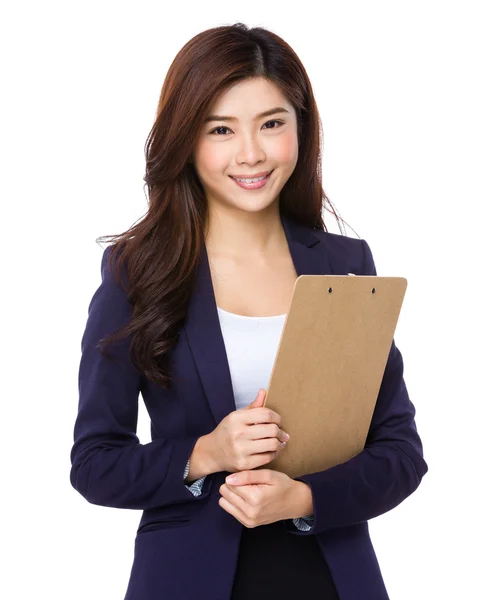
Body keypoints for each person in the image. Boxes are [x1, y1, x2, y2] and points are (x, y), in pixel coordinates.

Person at [69, 22, 428, 600]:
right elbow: (94, 463)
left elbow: (401, 454)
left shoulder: (344, 263)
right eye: (221, 129)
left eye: (271, 123)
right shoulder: (137, 272)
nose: (251, 153)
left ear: (300, 128)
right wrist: (207, 452)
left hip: (330, 578)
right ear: (186, 139)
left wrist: (305, 499)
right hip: (187, 579)